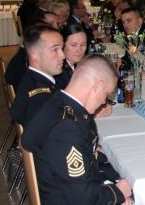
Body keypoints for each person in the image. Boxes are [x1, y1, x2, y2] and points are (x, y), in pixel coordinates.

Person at [22, 54, 133, 205]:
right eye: (106, 94)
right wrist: (118, 192)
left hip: (64, 188)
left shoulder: (57, 102)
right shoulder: (67, 129)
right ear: (97, 86)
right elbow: (83, 199)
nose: (103, 102)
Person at [11, 24, 66, 127]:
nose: (63, 55)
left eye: (62, 49)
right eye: (55, 50)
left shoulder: (36, 79)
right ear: (35, 55)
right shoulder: (39, 98)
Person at [6, 11, 61, 90]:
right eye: (50, 24)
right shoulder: (25, 60)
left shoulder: (25, 52)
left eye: (58, 23)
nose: (56, 27)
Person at [55, 24, 88, 89]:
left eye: (83, 45)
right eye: (73, 45)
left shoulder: (76, 66)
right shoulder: (59, 72)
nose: (79, 50)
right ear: (62, 45)